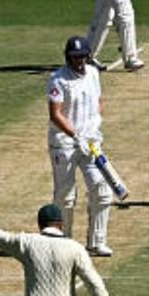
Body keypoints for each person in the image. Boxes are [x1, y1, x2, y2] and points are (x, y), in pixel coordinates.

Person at [48, 35, 114, 256]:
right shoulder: (58, 79)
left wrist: (94, 132)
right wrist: (76, 136)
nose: (78, 61)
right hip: (64, 144)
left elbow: (98, 102)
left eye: (82, 56)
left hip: (91, 143)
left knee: (102, 190)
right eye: (74, 57)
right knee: (65, 196)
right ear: (68, 57)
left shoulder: (93, 73)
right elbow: (55, 114)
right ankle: (62, 241)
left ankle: (96, 242)